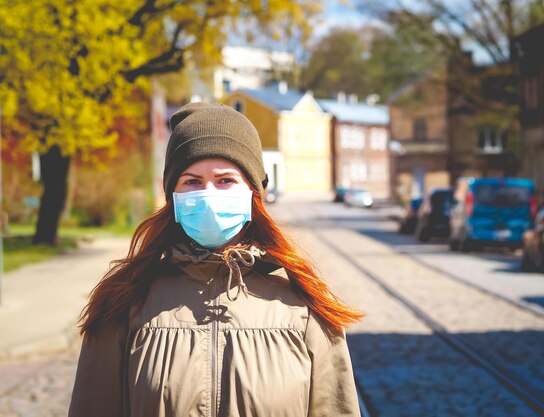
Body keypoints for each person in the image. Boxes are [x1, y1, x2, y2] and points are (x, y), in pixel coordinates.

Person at [68, 102, 363, 417]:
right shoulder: (124, 303)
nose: (208, 195)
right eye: (192, 181)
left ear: (253, 193)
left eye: (225, 180)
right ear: (174, 197)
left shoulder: (304, 308)